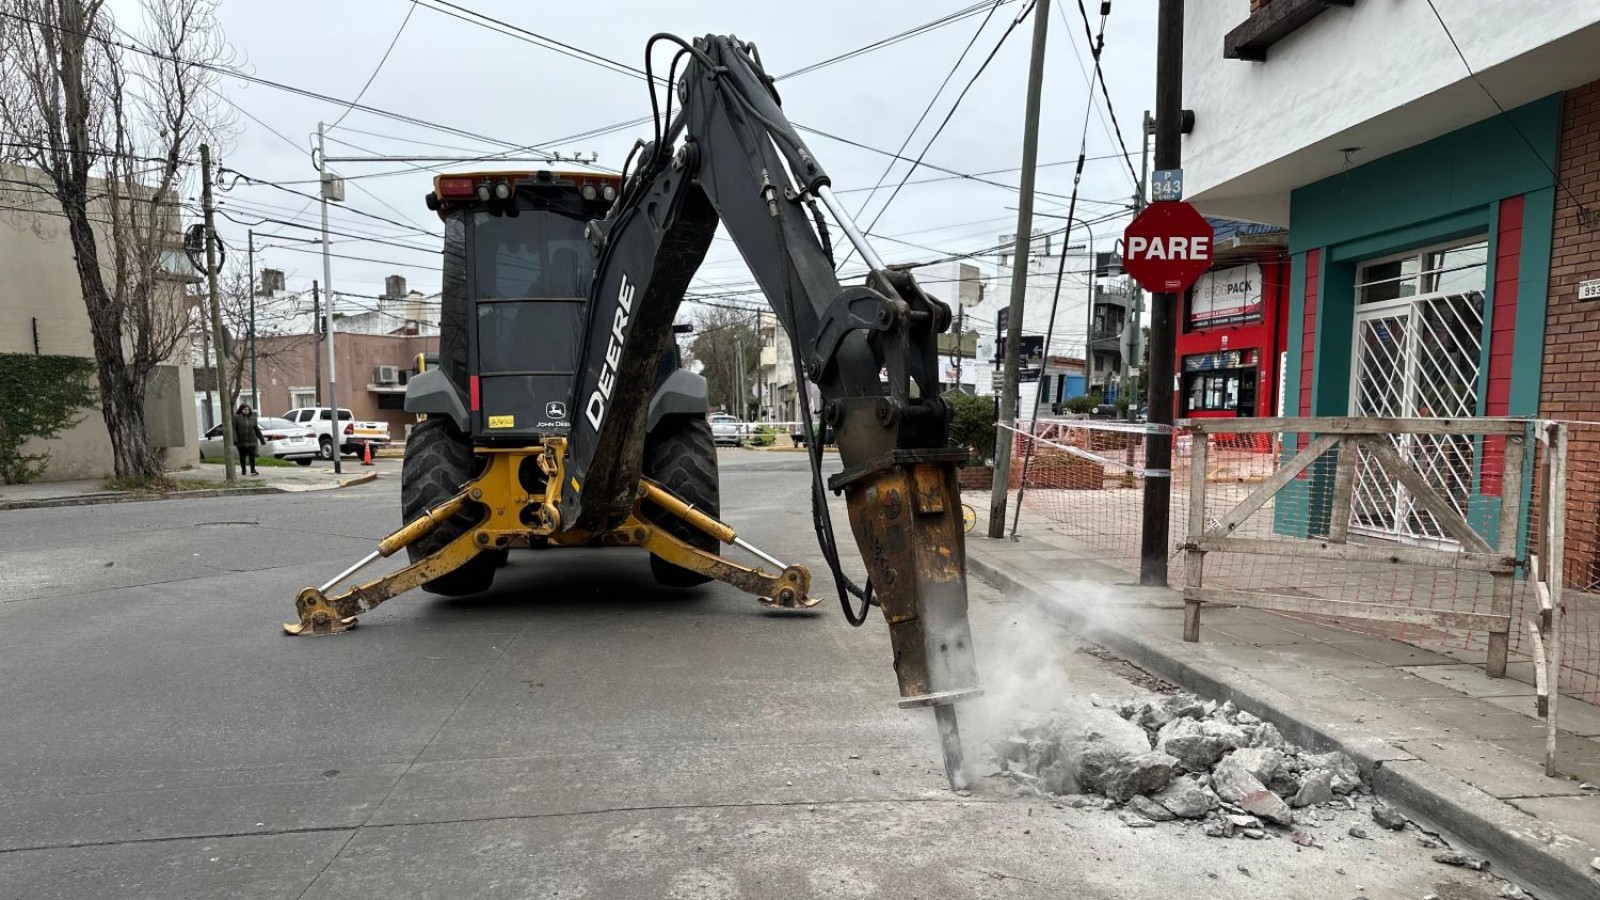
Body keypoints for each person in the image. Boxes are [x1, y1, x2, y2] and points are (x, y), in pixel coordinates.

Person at [233, 403, 266, 476]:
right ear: (241, 410)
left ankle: (253, 470)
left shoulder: (252, 417)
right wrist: (235, 439)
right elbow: (234, 429)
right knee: (242, 456)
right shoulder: (236, 417)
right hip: (241, 441)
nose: (246, 411)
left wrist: (262, 440)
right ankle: (243, 470)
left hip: (252, 440)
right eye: (245, 409)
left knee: (252, 455)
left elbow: (256, 429)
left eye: (248, 409)